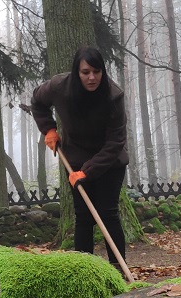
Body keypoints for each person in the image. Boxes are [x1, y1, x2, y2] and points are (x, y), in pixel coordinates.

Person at [31, 45, 130, 270]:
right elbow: (37, 102)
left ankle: (118, 270)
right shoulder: (58, 87)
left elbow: (115, 142)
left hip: (109, 163)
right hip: (74, 159)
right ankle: (84, 272)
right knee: (83, 217)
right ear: (77, 72)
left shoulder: (114, 96)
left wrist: (88, 171)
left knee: (107, 213)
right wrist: (49, 129)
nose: (92, 77)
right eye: (86, 72)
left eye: (96, 71)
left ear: (103, 72)